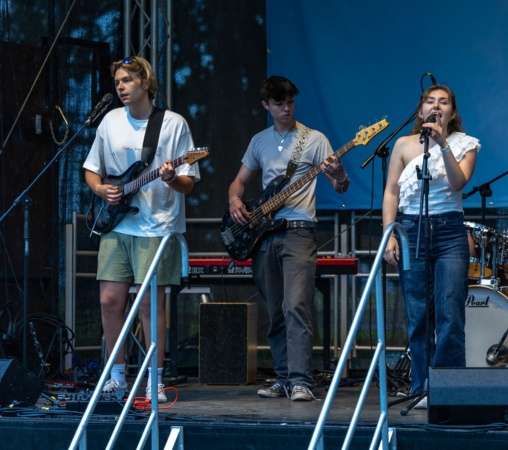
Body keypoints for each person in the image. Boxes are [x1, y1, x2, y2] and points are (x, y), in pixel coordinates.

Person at [83, 56, 200, 402]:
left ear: (146, 84)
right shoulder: (109, 121)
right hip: (116, 224)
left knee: (150, 304)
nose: (120, 87)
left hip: (156, 226)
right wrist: (102, 189)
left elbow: (188, 184)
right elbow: (92, 169)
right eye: (117, 81)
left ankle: (155, 379)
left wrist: (171, 177)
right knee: (109, 300)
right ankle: (116, 376)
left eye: (128, 81)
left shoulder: (172, 124)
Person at [227, 75, 349, 402]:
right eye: (278, 103)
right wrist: (235, 202)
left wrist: (338, 176)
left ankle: (301, 381)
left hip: (300, 231)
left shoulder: (314, 139)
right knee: (276, 308)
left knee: (297, 304)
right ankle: (283, 378)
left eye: (290, 102)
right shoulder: (259, 141)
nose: (286, 108)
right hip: (264, 234)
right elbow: (238, 184)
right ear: (266, 105)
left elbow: (341, 186)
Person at [382, 85, 480, 408]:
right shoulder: (403, 145)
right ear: (420, 109)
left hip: (450, 232)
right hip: (412, 228)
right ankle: (421, 387)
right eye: (429, 100)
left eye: (444, 101)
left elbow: (457, 182)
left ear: (453, 111)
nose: (436, 105)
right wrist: (389, 235)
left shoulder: (465, 144)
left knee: (450, 313)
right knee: (418, 313)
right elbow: (392, 193)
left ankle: (450, 388)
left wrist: (441, 143)